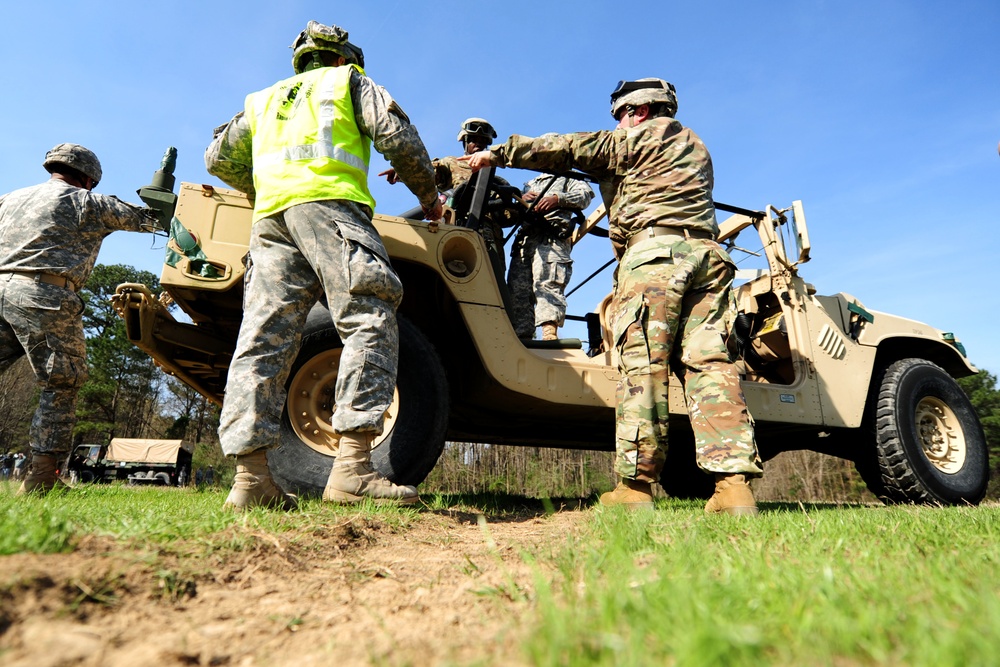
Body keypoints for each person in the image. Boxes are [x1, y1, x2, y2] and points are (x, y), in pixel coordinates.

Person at [462, 78, 763, 515]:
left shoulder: (635, 138)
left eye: (622, 114)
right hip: (709, 257)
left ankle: (636, 488)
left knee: (643, 365)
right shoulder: (696, 147)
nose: (620, 122)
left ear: (639, 111)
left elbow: (567, 147)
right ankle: (733, 488)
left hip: (656, 256)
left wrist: (501, 152)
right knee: (711, 367)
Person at [205, 21, 442, 511]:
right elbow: (397, 135)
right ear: (343, 57)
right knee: (370, 315)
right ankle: (353, 467)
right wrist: (429, 196)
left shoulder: (262, 100)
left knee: (263, 338)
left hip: (271, 220)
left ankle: (251, 480)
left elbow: (217, 159)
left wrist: (262, 191)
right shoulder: (347, 82)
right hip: (332, 208)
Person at [0, 144, 159, 494]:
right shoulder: (87, 201)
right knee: (61, 383)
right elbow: (150, 218)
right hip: (43, 296)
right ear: (89, 179)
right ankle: (43, 479)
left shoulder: (9, 199)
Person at [380, 118, 513, 267]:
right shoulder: (453, 163)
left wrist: (516, 202)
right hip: (455, 227)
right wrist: (404, 171)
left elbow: (507, 216)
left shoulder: (496, 181)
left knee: (492, 282)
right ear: (465, 142)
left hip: (490, 238)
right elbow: (428, 171)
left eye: (482, 141)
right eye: (473, 140)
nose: (478, 144)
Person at [508, 169, 593, 340]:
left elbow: (585, 195)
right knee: (517, 290)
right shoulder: (530, 184)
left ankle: (549, 335)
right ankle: (521, 338)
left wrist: (556, 199)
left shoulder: (568, 177)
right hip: (526, 240)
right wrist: (521, 200)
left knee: (548, 282)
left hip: (551, 237)